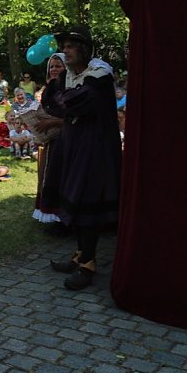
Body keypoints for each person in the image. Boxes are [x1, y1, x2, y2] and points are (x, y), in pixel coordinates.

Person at [44, 26, 121, 290]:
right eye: (63, 46)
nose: (65, 51)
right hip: (74, 144)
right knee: (73, 200)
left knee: (87, 202)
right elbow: (50, 101)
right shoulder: (71, 76)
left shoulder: (99, 74)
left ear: (84, 49)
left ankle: (88, 264)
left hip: (94, 148)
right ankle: (79, 255)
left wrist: (62, 100)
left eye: (70, 46)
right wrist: (62, 99)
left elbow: (76, 101)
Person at [32, 53, 68, 230]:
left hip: (68, 139)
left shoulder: (69, 87)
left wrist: (52, 122)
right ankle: (51, 214)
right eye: (51, 67)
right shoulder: (50, 88)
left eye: (58, 66)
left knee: (62, 176)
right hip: (51, 139)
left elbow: (73, 115)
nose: (54, 69)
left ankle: (62, 218)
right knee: (49, 175)